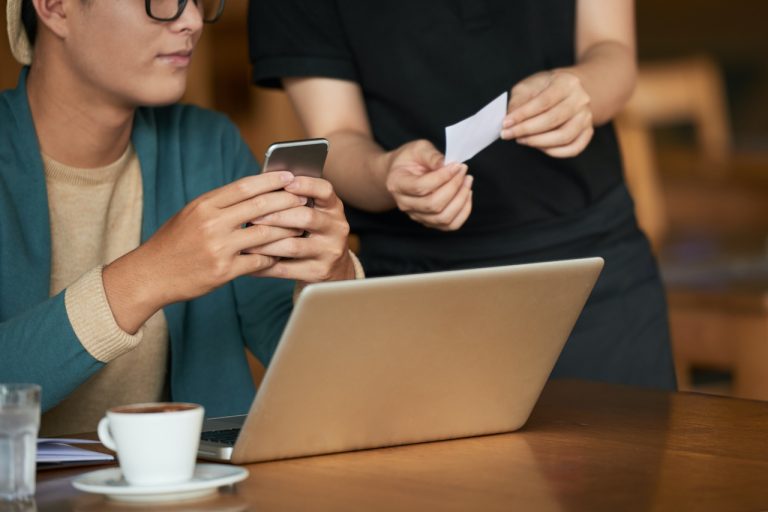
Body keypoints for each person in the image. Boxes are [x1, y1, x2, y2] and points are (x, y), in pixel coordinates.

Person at [249, 0, 676, 389]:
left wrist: (579, 90)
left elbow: (613, 50)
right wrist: (386, 174)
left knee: (627, 463)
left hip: (592, 268)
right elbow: (337, 134)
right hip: (415, 289)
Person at [0, 0, 362, 435]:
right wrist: (146, 276)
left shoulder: (207, 145)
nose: (191, 20)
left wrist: (331, 281)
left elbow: (312, 368)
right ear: (55, 8)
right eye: (161, 1)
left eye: (197, 1)